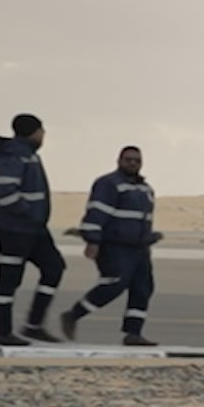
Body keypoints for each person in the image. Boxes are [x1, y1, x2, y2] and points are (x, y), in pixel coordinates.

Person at [62, 144, 161, 345]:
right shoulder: (108, 184)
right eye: (128, 159)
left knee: (143, 288)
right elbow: (96, 213)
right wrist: (92, 240)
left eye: (137, 160)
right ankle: (73, 315)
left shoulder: (146, 190)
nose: (133, 163)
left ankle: (133, 333)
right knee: (114, 283)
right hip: (114, 246)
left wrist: (150, 237)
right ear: (119, 161)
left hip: (140, 249)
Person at [0, 113, 68, 346]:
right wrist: (30, 212)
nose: (44, 135)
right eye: (42, 130)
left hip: (33, 230)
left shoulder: (28, 154)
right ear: (33, 132)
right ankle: (3, 333)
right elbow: (5, 191)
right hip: (15, 230)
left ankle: (34, 325)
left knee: (54, 267)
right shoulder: (13, 154)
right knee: (9, 280)